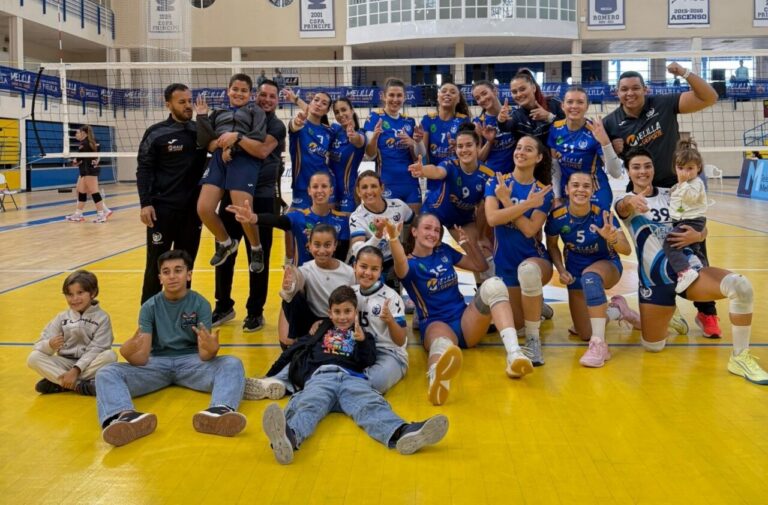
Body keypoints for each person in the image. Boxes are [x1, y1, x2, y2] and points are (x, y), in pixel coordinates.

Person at [614, 148, 768, 385]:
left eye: (647, 165)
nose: (642, 171)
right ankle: (651, 314)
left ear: (654, 168)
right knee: (653, 346)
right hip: (655, 281)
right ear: (627, 171)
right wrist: (629, 199)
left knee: (741, 287)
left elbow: (701, 225)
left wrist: (698, 236)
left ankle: (739, 357)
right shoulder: (626, 203)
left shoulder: (674, 192)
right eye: (636, 167)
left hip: (688, 270)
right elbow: (622, 207)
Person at [261, 285, 448, 465]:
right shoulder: (320, 330)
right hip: (321, 377)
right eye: (337, 312)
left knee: (370, 406)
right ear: (329, 313)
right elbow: (295, 350)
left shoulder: (364, 335)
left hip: (351, 378)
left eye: (347, 311)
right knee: (308, 405)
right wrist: (271, 376)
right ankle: (289, 437)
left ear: (355, 312)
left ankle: (402, 432)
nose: (342, 317)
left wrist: (362, 341)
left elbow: (367, 361)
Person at [602, 62, 721, 337]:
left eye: (635, 88)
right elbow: (612, 164)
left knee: (692, 243)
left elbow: (710, 97)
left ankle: (707, 312)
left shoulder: (664, 103)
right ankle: (669, 310)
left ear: (646, 89)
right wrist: (612, 146)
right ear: (616, 93)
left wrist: (684, 74)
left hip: (677, 187)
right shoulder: (611, 122)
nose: (629, 94)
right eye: (624, 90)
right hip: (642, 192)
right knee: (651, 252)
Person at [94, 250, 247, 447]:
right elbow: (141, 359)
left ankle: (218, 412)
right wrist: (127, 352)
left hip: (192, 364)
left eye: (178, 270)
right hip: (156, 365)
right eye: (166, 272)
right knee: (106, 372)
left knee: (232, 363)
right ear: (160, 278)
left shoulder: (200, 304)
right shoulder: (150, 307)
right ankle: (124, 417)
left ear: (189, 274)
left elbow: (204, 355)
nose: (172, 276)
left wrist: (211, 349)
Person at [390, 212, 529, 405]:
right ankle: (437, 382)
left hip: (465, 321)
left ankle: (514, 355)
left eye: (437, 230)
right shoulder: (409, 265)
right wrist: (393, 238)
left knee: (495, 285)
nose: (433, 233)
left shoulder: (444, 251)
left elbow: (480, 266)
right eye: (427, 228)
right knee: (441, 345)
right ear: (414, 231)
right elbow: (398, 261)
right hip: (436, 323)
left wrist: (467, 244)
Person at [245, 245, 408, 398]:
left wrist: (390, 321)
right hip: (355, 347)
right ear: (355, 267)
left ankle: (306, 389)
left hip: (388, 352)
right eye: (363, 267)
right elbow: (336, 313)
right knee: (314, 359)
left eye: (374, 269)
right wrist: (322, 322)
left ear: (381, 271)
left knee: (370, 384)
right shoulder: (350, 291)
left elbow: (400, 341)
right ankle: (278, 381)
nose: (367, 273)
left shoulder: (390, 297)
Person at [212, 79, 287, 331]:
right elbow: (218, 144)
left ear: (278, 100)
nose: (266, 100)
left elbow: (262, 150)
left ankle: (255, 311)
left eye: (271, 96)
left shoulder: (275, 125)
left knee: (258, 255)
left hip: (263, 197)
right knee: (225, 250)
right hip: (234, 191)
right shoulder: (243, 117)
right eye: (263, 95)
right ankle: (223, 306)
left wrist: (237, 138)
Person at [545, 173, 631, 368]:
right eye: (575, 185)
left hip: (606, 266)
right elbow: (551, 245)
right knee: (584, 332)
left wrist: (612, 238)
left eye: (586, 186)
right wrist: (560, 269)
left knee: (590, 278)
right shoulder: (557, 217)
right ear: (566, 189)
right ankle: (617, 310)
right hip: (575, 270)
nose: (580, 190)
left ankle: (600, 345)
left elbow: (626, 250)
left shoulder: (602, 214)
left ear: (592, 191)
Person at [484, 135, 554, 367]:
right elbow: (493, 219)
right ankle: (536, 304)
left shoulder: (542, 192)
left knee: (528, 271)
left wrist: (508, 204)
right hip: (505, 263)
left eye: (529, 149)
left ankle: (534, 342)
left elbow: (530, 229)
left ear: (539, 157)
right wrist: (522, 205)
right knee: (518, 325)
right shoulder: (497, 183)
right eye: (518, 147)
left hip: (534, 260)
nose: (521, 152)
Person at [137, 83, 208, 304]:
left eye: (189, 101)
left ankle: (181, 314)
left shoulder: (200, 131)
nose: (188, 106)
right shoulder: (156, 133)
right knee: (156, 265)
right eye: (182, 102)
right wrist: (145, 203)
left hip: (191, 212)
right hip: (162, 210)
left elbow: (218, 146)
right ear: (168, 104)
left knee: (186, 265)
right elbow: (144, 169)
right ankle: (148, 318)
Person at [195, 73, 268, 273]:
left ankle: (256, 248)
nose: (239, 93)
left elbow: (258, 137)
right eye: (235, 89)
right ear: (228, 91)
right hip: (219, 158)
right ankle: (226, 242)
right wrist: (201, 116)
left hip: (244, 158)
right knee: (203, 208)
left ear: (251, 94)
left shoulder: (256, 111)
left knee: (243, 210)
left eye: (244, 90)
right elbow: (205, 141)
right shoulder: (217, 112)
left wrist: (234, 145)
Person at [409, 123, 495, 277]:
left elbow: (487, 207)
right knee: (426, 249)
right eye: (460, 146)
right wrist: (422, 170)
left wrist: (482, 236)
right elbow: (437, 171)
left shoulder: (487, 174)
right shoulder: (450, 164)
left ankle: (483, 292)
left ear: (477, 146)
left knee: (480, 255)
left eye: (469, 145)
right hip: (435, 213)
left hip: (462, 219)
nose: (464, 150)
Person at [227, 171, 350, 268]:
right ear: (309, 191)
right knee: (289, 295)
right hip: (303, 277)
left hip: (330, 277)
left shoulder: (341, 220)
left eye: (324, 186)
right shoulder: (298, 217)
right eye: (315, 186)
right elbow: (277, 220)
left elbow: (341, 257)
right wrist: (254, 218)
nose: (319, 191)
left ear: (331, 190)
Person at [27, 270, 116, 395]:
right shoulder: (61, 317)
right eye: (69, 294)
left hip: (89, 364)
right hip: (65, 362)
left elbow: (98, 348)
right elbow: (39, 344)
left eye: (80, 293)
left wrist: (76, 370)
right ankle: (79, 386)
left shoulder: (102, 318)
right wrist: (49, 345)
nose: (74, 299)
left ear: (93, 293)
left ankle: (58, 382)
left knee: (109, 356)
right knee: (33, 358)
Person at [547, 86, 622, 209]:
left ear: (587, 106)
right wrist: (556, 196)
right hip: (568, 190)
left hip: (595, 190)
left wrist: (605, 142)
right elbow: (555, 166)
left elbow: (616, 173)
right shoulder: (555, 128)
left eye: (580, 102)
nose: (574, 106)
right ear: (562, 106)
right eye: (570, 102)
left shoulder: (595, 130)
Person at [364, 78, 424, 216]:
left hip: (410, 183)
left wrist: (414, 143)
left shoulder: (409, 121)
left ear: (404, 97)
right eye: (391, 95)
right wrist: (375, 137)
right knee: (389, 230)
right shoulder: (373, 118)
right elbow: (369, 155)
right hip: (386, 182)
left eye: (399, 95)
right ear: (383, 96)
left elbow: (419, 157)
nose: (395, 99)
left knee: (413, 226)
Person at [348, 170, 414, 280]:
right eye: (364, 187)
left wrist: (410, 250)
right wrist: (378, 235)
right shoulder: (356, 217)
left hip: (394, 260)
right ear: (358, 191)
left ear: (382, 188)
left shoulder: (399, 206)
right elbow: (357, 251)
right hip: (370, 263)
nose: (369, 191)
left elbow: (415, 227)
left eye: (373, 186)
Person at [663, 139, 709, 294]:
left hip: (693, 221)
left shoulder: (696, 183)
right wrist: (676, 188)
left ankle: (684, 271)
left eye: (690, 168)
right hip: (683, 220)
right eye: (681, 168)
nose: (685, 173)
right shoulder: (679, 185)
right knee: (694, 249)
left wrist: (681, 184)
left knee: (670, 242)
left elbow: (690, 197)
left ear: (698, 168)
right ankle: (702, 269)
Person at [287, 91, 334, 211]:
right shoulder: (300, 124)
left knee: (321, 224)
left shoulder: (329, 131)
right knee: (295, 224)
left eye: (323, 103)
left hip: (323, 186)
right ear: (311, 102)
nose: (318, 104)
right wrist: (296, 101)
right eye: (316, 100)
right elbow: (294, 126)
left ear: (327, 111)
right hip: (302, 184)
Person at [497, 68, 565, 149]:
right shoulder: (516, 115)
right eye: (514, 92)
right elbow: (506, 127)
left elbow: (568, 126)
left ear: (533, 88)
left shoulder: (553, 103)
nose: (518, 94)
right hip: (529, 160)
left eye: (522, 89)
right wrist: (501, 120)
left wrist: (549, 117)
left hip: (555, 157)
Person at [65, 125, 112, 223]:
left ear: (84, 133)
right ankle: (78, 214)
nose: (76, 134)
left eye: (78, 132)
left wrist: (73, 162)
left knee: (94, 192)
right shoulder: (92, 142)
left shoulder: (84, 144)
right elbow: (94, 155)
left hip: (89, 171)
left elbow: (79, 159)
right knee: (81, 191)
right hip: (87, 170)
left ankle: (101, 214)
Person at [329, 97, 366, 215]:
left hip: (348, 192)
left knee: (347, 229)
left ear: (352, 110)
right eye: (337, 112)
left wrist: (353, 135)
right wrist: (296, 100)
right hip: (330, 190)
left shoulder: (360, 133)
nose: (340, 114)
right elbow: (314, 115)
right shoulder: (335, 130)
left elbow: (359, 141)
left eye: (344, 110)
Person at [419, 82, 471, 166]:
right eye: (444, 91)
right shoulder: (428, 119)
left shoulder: (464, 120)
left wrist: (456, 147)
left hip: (456, 171)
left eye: (453, 92)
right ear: (438, 96)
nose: (447, 94)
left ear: (458, 99)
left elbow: (467, 151)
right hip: (434, 172)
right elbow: (424, 152)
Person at [471, 80, 515, 174]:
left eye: (484, 93)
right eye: (478, 98)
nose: (482, 99)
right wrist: (490, 142)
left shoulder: (514, 114)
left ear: (495, 91)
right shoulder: (478, 123)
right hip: (492, 176)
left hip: (516, 175)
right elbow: (479, 159)